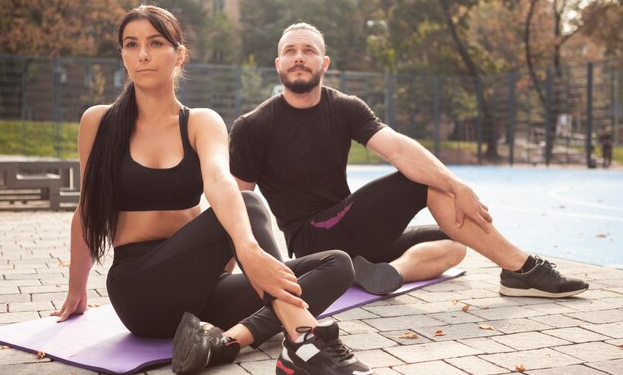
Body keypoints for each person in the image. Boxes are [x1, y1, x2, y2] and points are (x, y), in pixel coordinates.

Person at [51, 7, 380, 375]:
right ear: (122, 54)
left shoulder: (200, 121)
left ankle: (226, 342)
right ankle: (304, 339)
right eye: (131, 44)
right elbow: (86, 210)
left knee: (336, 264)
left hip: (204, 292)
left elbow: (221, 182)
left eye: (155, 43)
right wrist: (77, 290)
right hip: (142, 291)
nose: (142, 54)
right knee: (250, 206)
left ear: (179, 54)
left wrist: (249, 252)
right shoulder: (99, 122)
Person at [229, 22, 589, 299]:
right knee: (421, 181)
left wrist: (456, 185)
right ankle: (523, 269)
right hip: (313, 241)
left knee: (455, 244)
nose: (298, 57)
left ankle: (384, 274)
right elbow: (237, 206)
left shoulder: (345, 107)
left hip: (354, 231)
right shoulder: (253, 126)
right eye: (290, 51)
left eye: (308, 50)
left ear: (323, 63)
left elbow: (398, 147)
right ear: (278, 64)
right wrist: (229, 275)